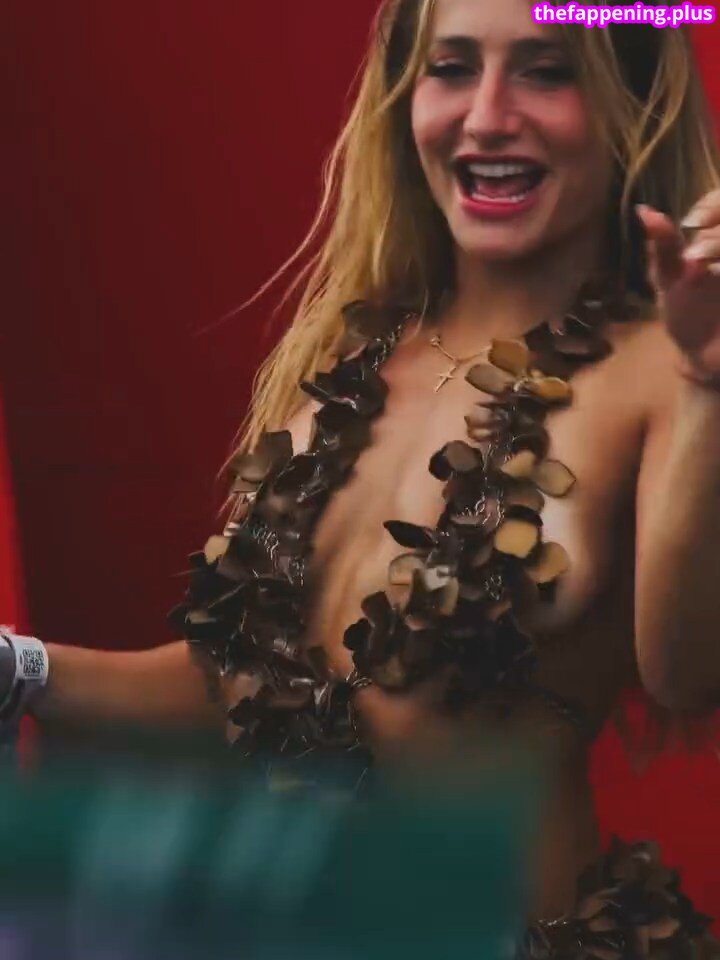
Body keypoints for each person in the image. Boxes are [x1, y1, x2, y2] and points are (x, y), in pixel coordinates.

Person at [5, 0, 720, 952]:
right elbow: (235, 682)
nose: (487, 117)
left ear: (630, 105)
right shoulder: (354, 357)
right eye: (450, 69)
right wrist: (21, 670)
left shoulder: (667, 370)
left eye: (548, 72)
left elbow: (688, 675)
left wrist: (709, 387)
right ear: (401, 99)